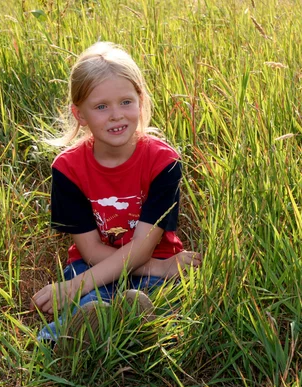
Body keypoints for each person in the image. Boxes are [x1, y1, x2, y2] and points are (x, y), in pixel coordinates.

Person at [31, 41, 201, 342]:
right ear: (79, 114)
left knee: (154, 295)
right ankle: (63, 339)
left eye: (126, 101)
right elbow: (92, 250)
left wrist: (159, 267)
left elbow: (142, 248)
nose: (116, 115)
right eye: (100, 106)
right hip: (93, 264)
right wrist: (159, 268)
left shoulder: (164, 162)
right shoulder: (68, 170)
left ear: (140, 100)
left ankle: (133, 323)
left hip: (153, 256)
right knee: (91, 301)